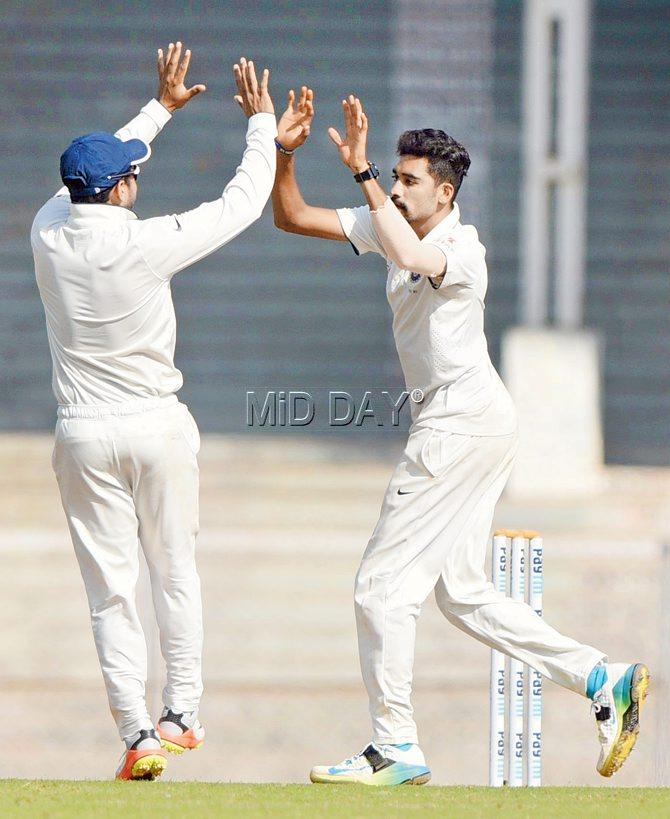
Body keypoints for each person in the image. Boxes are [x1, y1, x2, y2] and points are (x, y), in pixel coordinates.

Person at [272, 89, 649, 785]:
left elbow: (415, 257)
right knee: (463, 593)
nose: (394, 185)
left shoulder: (460, 247)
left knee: (381, 586)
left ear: (444, 193)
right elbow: (291, 216)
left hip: (459, 422)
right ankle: (603, 676)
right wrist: (285, 152)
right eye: (393, 175)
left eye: (408, 180)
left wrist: (359, 174)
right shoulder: (388, 219)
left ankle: (395, 746)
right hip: (469, 422)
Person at [31, 43, 276, 780]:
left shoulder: (48, 228)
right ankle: (184, 712)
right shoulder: (147, 245)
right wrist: (260, 124)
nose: (137, 177)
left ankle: (137, 733)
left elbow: (116, 156)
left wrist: (159, 112)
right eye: (130, 176)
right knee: (174, 571)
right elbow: (243, 203)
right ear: (117, 192)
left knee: (110, 592)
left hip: (81, 434)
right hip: (154, 425)